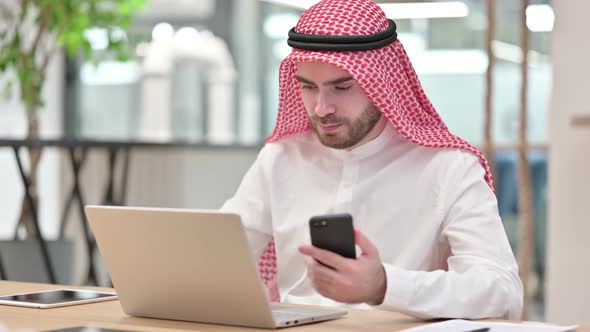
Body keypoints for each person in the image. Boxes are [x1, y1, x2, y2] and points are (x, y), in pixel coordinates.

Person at [221, 0, 523, 320]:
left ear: (382, 82)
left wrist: (384, 285)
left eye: (342, 87)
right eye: (308, 87)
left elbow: (503, 291)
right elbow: (219, 254)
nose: (322, 108)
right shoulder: (280, 158)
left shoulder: (449, 167)